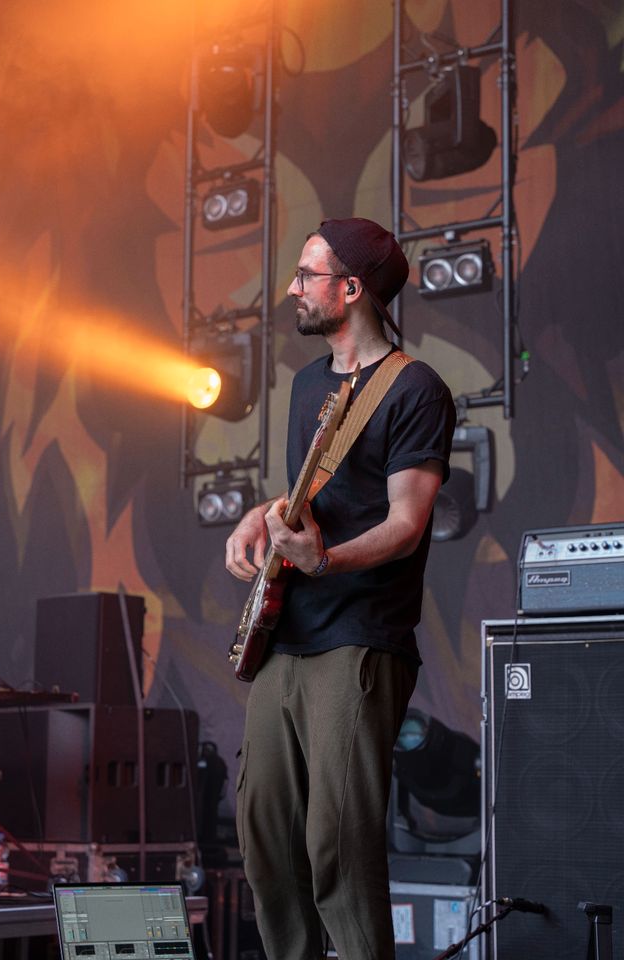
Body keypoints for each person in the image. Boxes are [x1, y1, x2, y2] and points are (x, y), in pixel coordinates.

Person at [225, 217, 455, 960]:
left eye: (306, 274)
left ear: (351, 289)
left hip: (359, 636)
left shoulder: (415, 388)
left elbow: (405, 523)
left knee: (339, 843)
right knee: (263, 834)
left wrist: (324, 562)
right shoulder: (305, 385)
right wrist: (262, 516)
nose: (293, 287)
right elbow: (314, 497)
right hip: (283, 632)